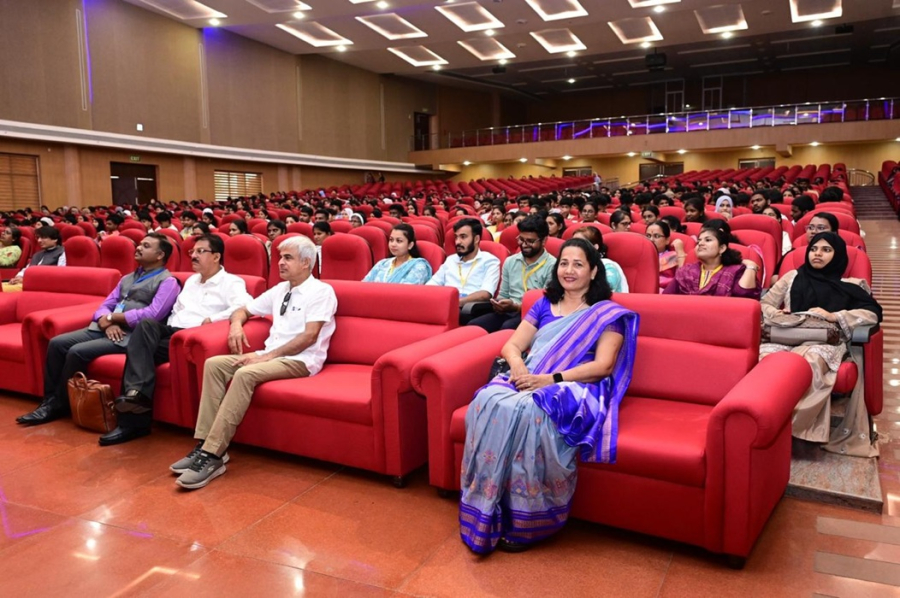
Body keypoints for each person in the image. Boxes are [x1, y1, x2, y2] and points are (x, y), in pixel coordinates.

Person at [460, 238, 639, 554]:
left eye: (578, 264)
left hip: (577, 385)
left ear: (594, 271)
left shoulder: (606, 313)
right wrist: (518, 366)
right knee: (487, 400)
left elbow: (603, 366)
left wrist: (548, 380)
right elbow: (512, 345)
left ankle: (527, 520)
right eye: (564, 263)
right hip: (532, 374)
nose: (569, 270)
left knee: (531, 410)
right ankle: (489, 506)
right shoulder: (544, 304)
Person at [170, 236, 337, 489]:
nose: (280, 263)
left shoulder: (321, 292)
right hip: (269, 355)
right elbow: (243, 309)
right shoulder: (281, 289)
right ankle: (204, 444)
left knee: (244, 373)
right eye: (279, 257)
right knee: (214, 365)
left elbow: (309, 336)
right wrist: (236, 326)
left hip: (301, 360)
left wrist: (265, 356)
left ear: (306, 263)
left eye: (288, 258)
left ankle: (213, 455)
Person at [102, 234, 252, 445]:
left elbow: (245, 306)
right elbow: (177, 309)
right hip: (172, 332)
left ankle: (132, 421)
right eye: (192, 252)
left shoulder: (231, 282)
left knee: (139, 349)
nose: (194, 256)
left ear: (216, 256)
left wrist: (212, 319)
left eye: (201, 251)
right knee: (144, 329)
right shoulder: (192, 281)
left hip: (193, 336)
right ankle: (136, 397)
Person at [16, 234, 178, 426]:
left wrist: (114, 318)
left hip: (130, 335)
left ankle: (58, 405)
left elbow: (153, 314)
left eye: (146, 246)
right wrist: (107, 320)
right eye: (140, 244)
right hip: (106, 327)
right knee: (57, 343)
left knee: (77, 351)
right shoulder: (127, 278)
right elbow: (106, 304)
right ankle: (49, 400)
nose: (139, 248)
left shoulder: (168, 282)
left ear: (160, 255)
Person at [760, 233, 882, 457]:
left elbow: (871, 314)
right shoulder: (792, 277)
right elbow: (764, 303)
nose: (818, 254)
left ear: (838, 256)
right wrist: (777, 313)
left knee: (809, 363)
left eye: (826, 250)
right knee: (764, 360)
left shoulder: (851, 286)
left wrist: (834, 315)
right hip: (785, 335)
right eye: (814, 249)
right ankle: (761, 424)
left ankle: (791, 432)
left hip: (824, 340)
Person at [469, 216, 555, 332]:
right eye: (521, 239)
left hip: (534, 314)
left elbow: (546, 304)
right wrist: (499, 304)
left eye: (530, 241)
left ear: (544, 241)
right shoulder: (510, 261)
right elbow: (503, 294)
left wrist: (516, 307)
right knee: (474, 326)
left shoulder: (553, 266)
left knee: (507, 328)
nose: (524, 245)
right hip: (509, 310)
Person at [663, 226, 760, 298]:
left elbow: (744, 295)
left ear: (722, 248)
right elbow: (666, 298)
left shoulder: (735, 271)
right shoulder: (685, 271)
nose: (700, 243)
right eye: (698, 241)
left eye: (708, 240)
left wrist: (751, 266)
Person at [427, 218, 501, 308]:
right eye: (456, 237)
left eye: (463, 237)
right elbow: (431, 285)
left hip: (471, 309)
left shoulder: (490, 261)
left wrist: (455, 303)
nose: (457, 242)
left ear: (476, 239)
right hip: (445, 306)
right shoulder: (451, 260)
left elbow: (485, 294)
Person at [363, 223, 432, 284]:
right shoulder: (382, 263)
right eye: (391, 240)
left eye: (399, 241)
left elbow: (407, 292)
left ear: (410, 245)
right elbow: (364, 285)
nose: (393, 244)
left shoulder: (418, 267)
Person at [571, 227, 628, 293]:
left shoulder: (609, 267)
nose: (574, 248)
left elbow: (603, 292)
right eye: (572, 243)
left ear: (595, 247)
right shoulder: (570, 265)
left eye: (580, 244)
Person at [645, 221, 686, 290]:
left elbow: (683, 278)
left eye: (656, 236)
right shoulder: (639, 256)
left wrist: (680, 251)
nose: (651, 240)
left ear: (667, 240)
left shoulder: (673, 256)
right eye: (648, 236)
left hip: (666, 291)